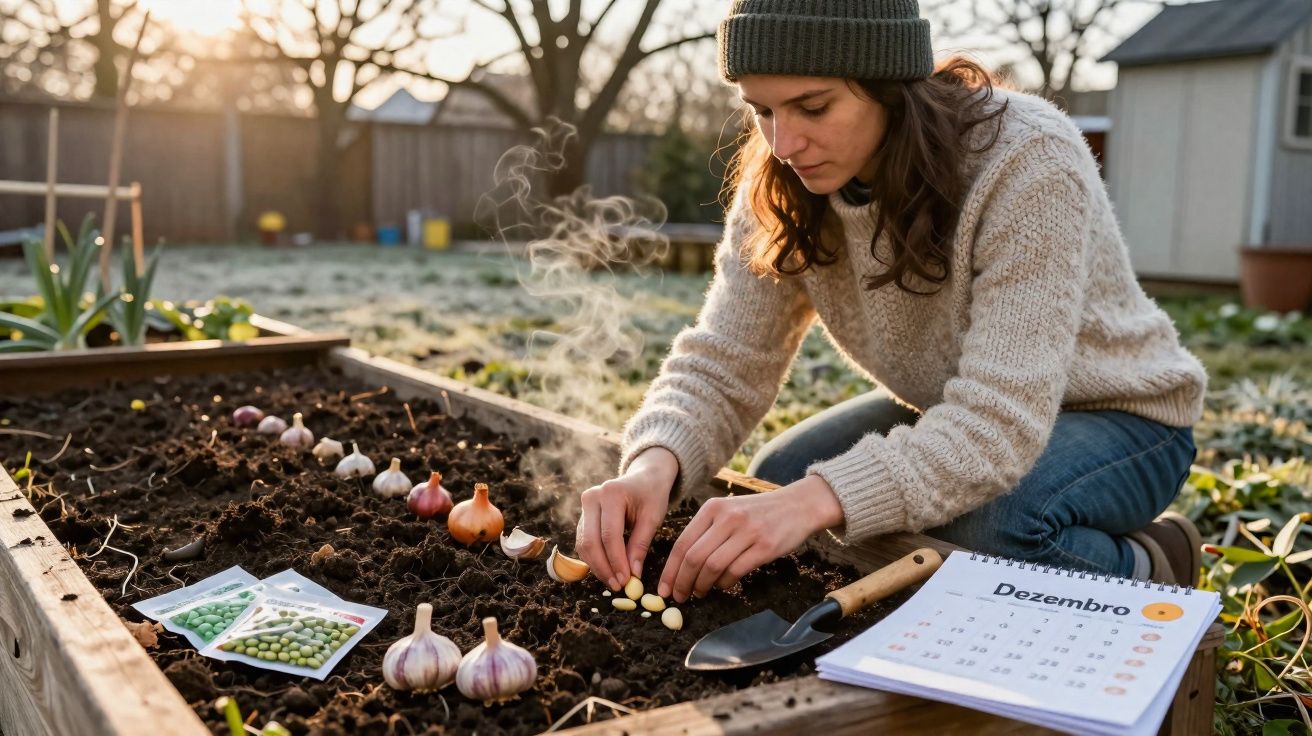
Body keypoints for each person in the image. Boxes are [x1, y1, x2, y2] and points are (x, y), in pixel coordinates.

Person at [573, 0, 1206, 605]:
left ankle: (1154, 564)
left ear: (889, 83)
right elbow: (726, 359)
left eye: (812, 107)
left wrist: (815, 501)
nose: (784, 142)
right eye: (761, 110)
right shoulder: (782, 184)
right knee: (785, 474)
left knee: (988, 531)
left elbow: (1001, 419)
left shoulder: (1028, 160)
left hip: (1124, 416)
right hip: (957, 403)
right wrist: (656, 462)